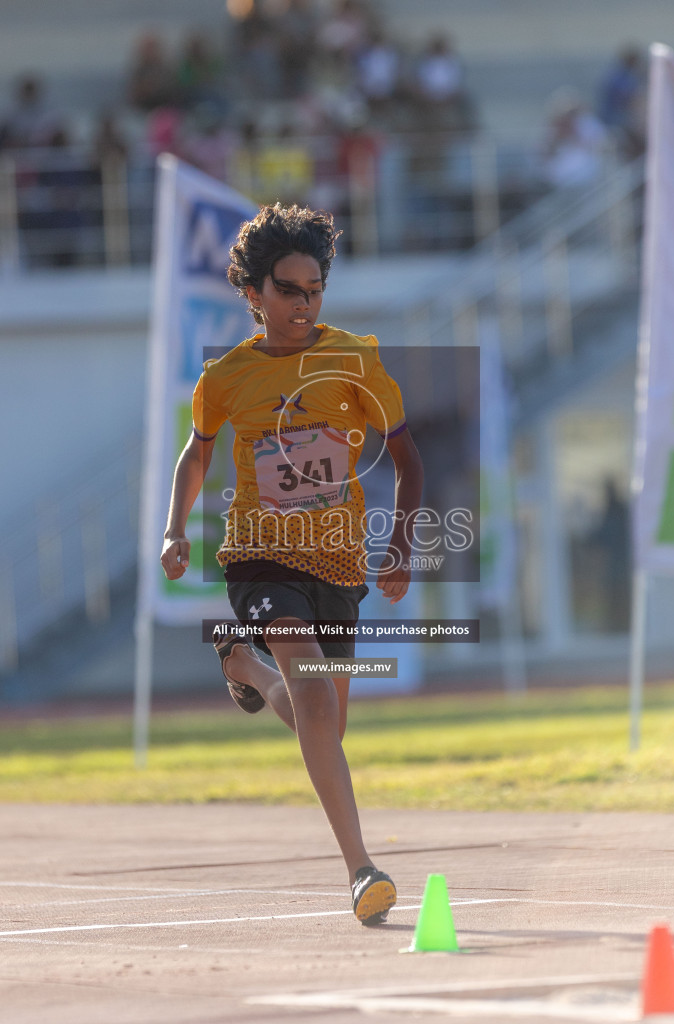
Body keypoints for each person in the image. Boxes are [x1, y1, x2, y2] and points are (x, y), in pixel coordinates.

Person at [160, 203, 423, 925]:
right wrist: (174, 528)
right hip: (256, 553)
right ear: (253, 293)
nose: (303, 304)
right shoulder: (226, 376)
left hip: (337, 562)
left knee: (323, 726)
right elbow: (198, 448)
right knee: (311, 694)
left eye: (314, 289)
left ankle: (243, 667)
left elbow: (405, 457)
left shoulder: (354, 360)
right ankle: (360, 869)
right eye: (288, 290)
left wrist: (400, 544)